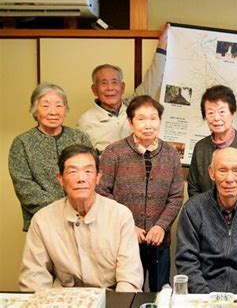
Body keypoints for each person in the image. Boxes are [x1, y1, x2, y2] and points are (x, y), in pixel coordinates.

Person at [19, 145, 143, 292]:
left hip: (110, 299)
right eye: (72, 172)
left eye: (88, 171)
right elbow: (34, 278)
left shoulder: (120, 215)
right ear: (60, 179)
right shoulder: (42, 219)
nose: (81, 179)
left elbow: (129, 279)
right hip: (62, 301)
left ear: (98, 178)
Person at [97, 95, 184, 292]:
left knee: (160, 294)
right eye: (141, 118)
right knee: (126, 294)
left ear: (160, 121)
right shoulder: (114, 152)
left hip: (159, 240)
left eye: (153, 118)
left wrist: (161, 226)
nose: (148, 124)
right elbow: (102, 192)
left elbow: (176, 196)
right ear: (130, 122)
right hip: (123, 239)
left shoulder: (171, 154)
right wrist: (129, 226)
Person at [176, 147, 237, 294]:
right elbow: (186, 260)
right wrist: (207, 298)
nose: (229, 179)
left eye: (236, 170)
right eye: (222, 170)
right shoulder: (194, 209)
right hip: (205, 295)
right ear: (212, 172)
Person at [9, 83, 92, 231]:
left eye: (59, 106)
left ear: (66, 110)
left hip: (83, 218)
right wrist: (62, 209)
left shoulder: (79, 137)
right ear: (35, 111)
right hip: (43, 220)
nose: (53, 112)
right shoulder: (22, 143)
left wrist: (82, 208)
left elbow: (92, 174)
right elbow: (24, 186)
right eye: (46, 106)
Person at [77, 25, 169, 154]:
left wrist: (162, 43)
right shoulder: (86, 121)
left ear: (122, 87)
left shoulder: (133, 106)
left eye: (114, 82)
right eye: (104, 83)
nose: (110, 88)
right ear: (94, 89)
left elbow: (153, 80)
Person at [187, 85, 237, 197]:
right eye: (210, 113)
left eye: (222, 112)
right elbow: (193, 188)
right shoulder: (200, 148)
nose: (216, 118)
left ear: (232, 113)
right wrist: (203, 212)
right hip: (202, 212)